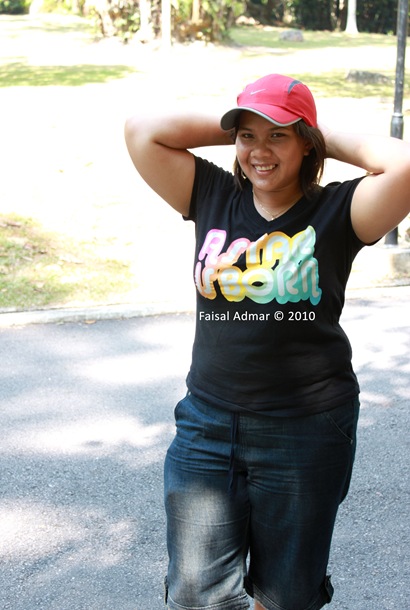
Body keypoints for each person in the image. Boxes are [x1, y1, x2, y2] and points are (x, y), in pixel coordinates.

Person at [124, 73, 410, 610]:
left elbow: (405, 164)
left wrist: (315, 133)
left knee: (285, 597)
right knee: (195, 593)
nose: (259, 151)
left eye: (278, 136)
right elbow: (144, 130)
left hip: (306, 429)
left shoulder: (339, 210)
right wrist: (250, 125)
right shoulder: (212, 194)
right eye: (247, 136)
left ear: (307, 144)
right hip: (208, 425)